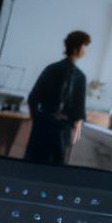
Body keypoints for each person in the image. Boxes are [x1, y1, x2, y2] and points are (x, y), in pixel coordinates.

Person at [21, 30, 90, 165]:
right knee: (53, 168)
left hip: (45, 126)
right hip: (57, 129)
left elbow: (33, 98)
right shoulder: (78, 76)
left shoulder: (52, 69)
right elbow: (78, 111)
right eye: (84, 47)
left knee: (33, 164)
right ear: (77, 48)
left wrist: (38, 119)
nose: (85, 51)